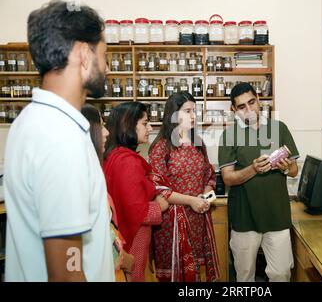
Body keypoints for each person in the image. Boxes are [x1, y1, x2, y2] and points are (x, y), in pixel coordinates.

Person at [4, 0, 114, 282]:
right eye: (104, 56)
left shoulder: (29, 121)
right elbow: (67, 273)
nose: (108, 68)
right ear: (83, 54)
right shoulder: (61, 138)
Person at [218, 83, 300, 282]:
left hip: (277, 216)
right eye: (241, 106)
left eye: (252, 102)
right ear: (234, 110)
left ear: (259, 100)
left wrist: (285, 167)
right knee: (245, 276)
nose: (249, 110)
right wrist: (253, 169)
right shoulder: (229, 135)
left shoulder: (279, 128)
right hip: (244, 218)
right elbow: (227, 177)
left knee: (281, 273)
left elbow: (294, 170)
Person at [148, 92, 220, 282]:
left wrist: (205, 196)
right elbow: (159, 188)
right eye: (188, 111)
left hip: (197, 218)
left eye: (194, 111)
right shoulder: (161, 147)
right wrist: (191, 201)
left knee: (195, 274)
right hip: (171, 223)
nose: (194, 116)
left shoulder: (198, 143)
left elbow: (209, 175)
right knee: (175, 275)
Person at [103, 102, 170, 282]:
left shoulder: (116, 155)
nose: (150, 128)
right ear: (129, 126)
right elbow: (137, 212)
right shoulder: (127, 162)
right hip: (133, 238)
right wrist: (160, 205)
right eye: (145, 123)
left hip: (125, 237)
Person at [80, 104, 135, 282]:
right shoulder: (79, 178)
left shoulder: (91, 170)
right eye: (99, 126)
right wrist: (125, 258)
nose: (106, 133)